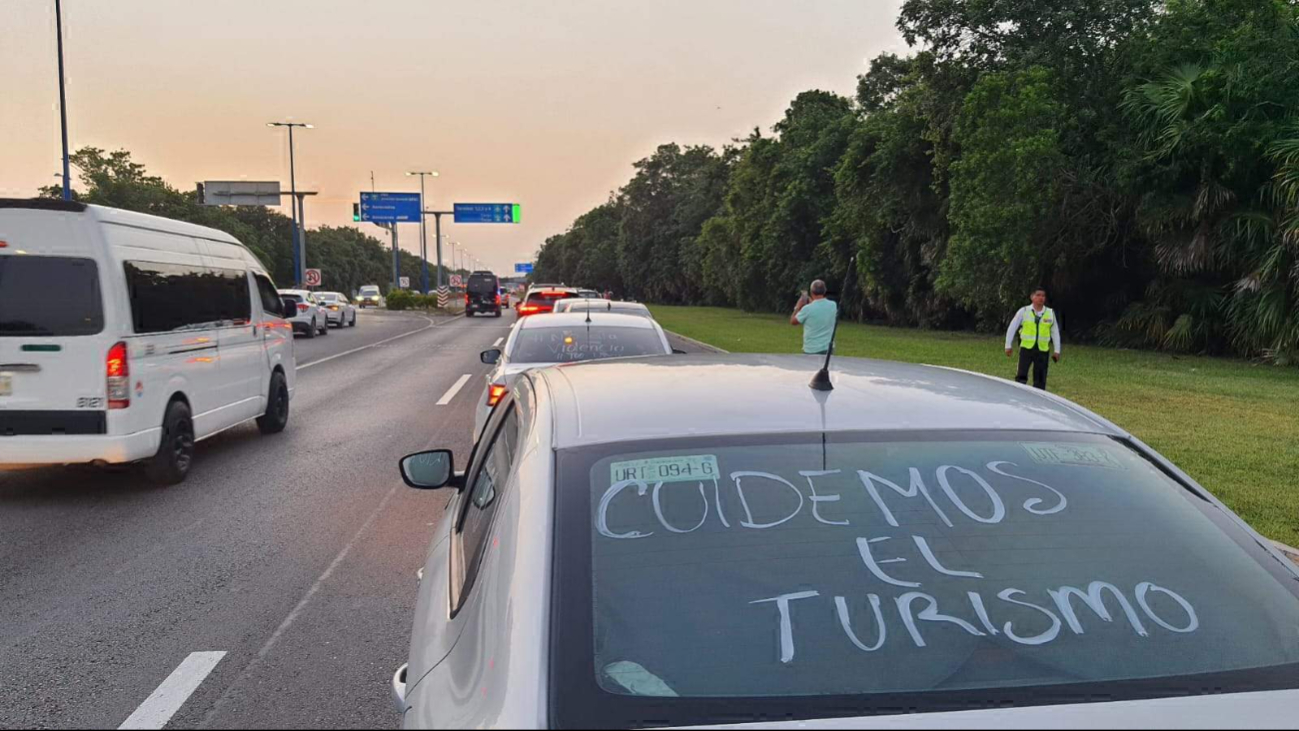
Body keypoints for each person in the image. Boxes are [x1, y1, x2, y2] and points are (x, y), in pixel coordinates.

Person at [1005, 286, 1062, 390]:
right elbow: (1012, 327)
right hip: (1026, 348)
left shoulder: (1049, 313)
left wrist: (1057, 350)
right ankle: (1019, 396)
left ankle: (1038, 401)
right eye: (1038, 295)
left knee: (1040, 379)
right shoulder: (1024, 311)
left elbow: (1055, 332)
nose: (1041, 298)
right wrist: (1008, 345)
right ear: (1032, 297)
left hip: (1042, 350)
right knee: (1021, 376)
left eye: (1043, 295)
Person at [790, 279, 838, 355]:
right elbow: (820, 307)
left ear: (811, 292)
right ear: (824, 291)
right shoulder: (833, 305)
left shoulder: (807, 309)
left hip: (811, 349)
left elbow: (793, 321)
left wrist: (798, 307)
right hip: (828, 348)